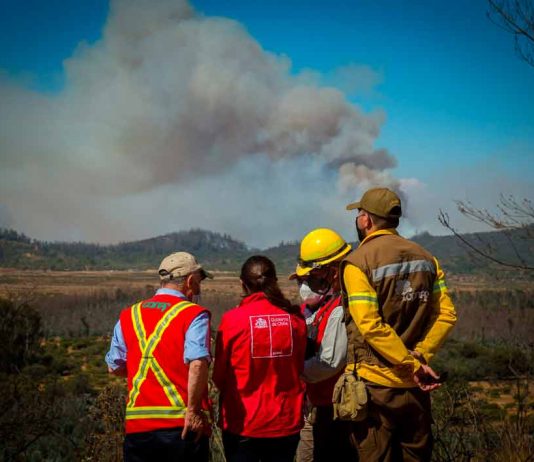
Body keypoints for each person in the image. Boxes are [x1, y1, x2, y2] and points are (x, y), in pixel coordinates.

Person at [341, 187, 457, 461]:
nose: (358, 218)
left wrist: (411, 363)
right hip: (417, 390)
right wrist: (421, 356)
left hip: (376, 389)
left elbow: (370, 325)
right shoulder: (428, 259)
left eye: (359, 213)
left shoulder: (358, 263)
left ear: (366, 220)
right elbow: (447, 315)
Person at [105, 251, 213, 462]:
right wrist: (193, 411)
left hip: (137, 428)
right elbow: (198, 364)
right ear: (190, 281)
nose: (199, 288)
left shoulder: (129, 314)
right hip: (180, 427)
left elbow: (114, 366)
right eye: (199, 282)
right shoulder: (194, 314)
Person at [213, 255, 307, 462]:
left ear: (242, 283)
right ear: (274, 281)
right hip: (285, 420)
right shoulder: (295, 320)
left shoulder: (232, 321)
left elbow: (219, 376)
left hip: (243, 421)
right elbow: (300, 366)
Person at [291, 228, 357, 462]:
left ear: (332, 272)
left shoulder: (339, 308)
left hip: (336, 409)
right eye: (303, 279)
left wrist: (293, 372)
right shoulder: (312, 310)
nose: (305, 285)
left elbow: (329, 362)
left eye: (311, 278)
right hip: (314, 406)